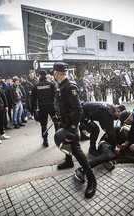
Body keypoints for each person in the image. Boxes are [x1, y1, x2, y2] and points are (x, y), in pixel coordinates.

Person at [53, 62, 97, 198]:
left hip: (71, 125)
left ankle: (92, 180)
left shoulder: (69, 87)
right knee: (66, 144)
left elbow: (78, 109)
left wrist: (73, 129)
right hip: (65, 122)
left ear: (56, 73)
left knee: (77, 151)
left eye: (53, 72)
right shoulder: (61, 86)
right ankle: (68, 161)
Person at [31, 70, 58, 147]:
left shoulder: (36, 86)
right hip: (51, 106)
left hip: (42, 107)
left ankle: (45, 141)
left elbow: (33, 99)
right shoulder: (51, 84)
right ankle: (58, 139)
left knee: (43, 124)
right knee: (56, 122)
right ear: (46, 75)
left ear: (39, 75)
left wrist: (33, 110)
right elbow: (56, 96)